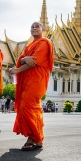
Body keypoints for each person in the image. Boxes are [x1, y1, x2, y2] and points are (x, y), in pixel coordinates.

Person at [10, 21, 54, 151]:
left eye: (37, 27)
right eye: (32, 27)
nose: (34, 29)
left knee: (27, 106)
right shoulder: (29, 46)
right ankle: (38, 138)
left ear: (43, 29)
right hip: (27, 80)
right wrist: (24, 59)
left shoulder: (45, 42)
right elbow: (22, 58)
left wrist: (18, 69)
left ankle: (32, 138)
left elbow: (34, 61)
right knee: (33, 108)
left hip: (37, 80)